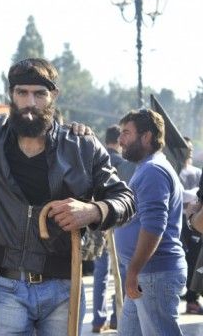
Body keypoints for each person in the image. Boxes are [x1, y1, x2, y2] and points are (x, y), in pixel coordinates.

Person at [0, 58, 135, 335]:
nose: (30, 102)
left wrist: (93, 211)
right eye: (22, 93)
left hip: (64, 288)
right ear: (11, 94)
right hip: (8, 286)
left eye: (39, 94)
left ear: (53, 96)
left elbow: (125, 199)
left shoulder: (82, 145)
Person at [115, 109, 187, 335]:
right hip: (145, 275)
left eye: (126, 133)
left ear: (146, 137)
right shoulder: (148, 167)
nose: (120, 140)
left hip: (153, 275)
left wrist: (133, 271)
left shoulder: (153, 171)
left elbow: (154, 226)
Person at [91, 125, 136, 332]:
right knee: (122, 271)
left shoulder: (94, 157)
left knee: (100, 273)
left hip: (96, 223)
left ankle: (98, 320)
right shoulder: (124, 164)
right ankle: (118, 317)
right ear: (119, 140)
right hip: (118, 224)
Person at [179, 137, 203, 314]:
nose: (190, 151)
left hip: (194, 222)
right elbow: (180, 196)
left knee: (194, 258)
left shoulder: (197, 171)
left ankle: (192, 298)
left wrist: (193, 215)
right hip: (180, 221)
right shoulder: (175, 170)